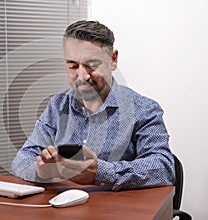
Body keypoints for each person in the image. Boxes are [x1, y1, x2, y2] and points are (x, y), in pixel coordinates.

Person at [11, 20, 175, 191]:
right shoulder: (57, 106)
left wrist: (100, 172)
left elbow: (163, 168)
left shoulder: (144, 109)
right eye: (73, 65)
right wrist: (41, 171)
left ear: (113, 59)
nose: (82, 76)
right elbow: (22, 159)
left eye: (92, 65)